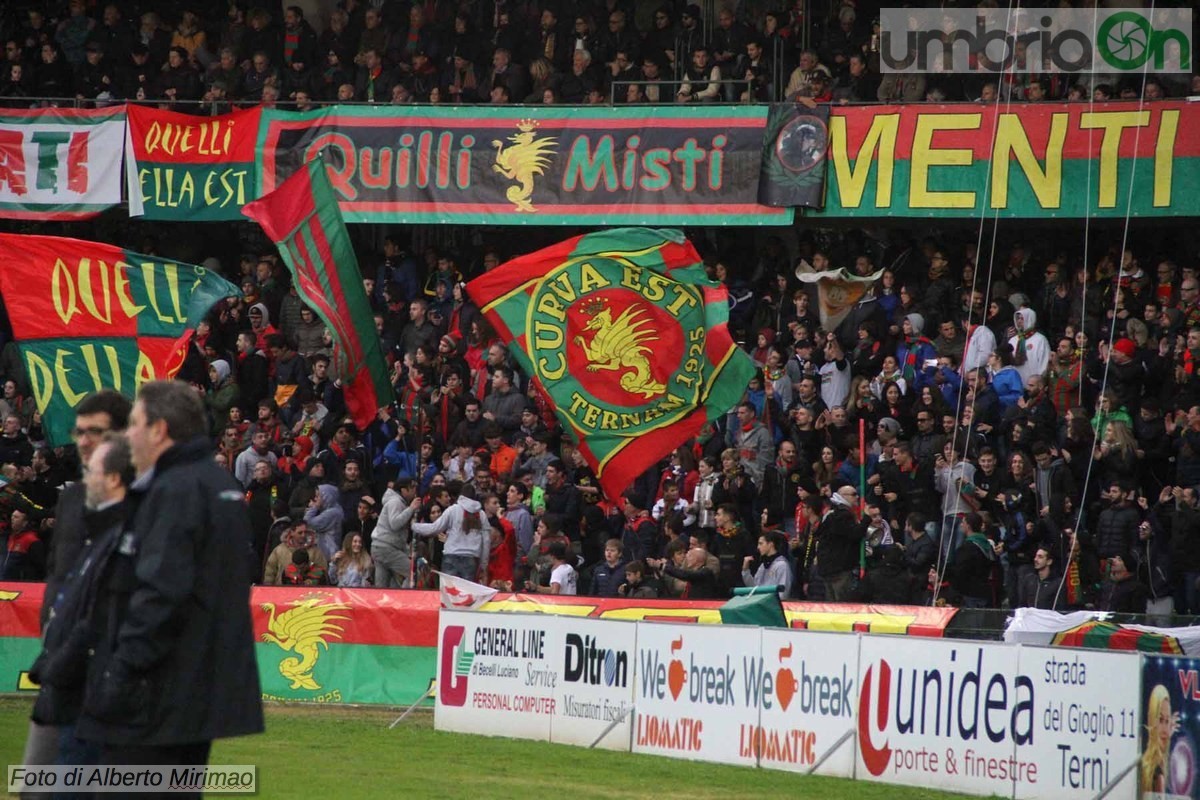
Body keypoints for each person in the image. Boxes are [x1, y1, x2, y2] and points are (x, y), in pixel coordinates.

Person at [74, 381, 263, 776]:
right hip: (199, 692)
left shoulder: (174, 491)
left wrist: (118, 673)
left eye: (135, 424)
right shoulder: (221, 487)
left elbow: (161, 592)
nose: (128, 435)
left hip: (154, 695)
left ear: (159, 429)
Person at [25, 390, 130, 780]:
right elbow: (58, 575)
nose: (84, 441)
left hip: (105, 673)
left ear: (123, 437)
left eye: (96, 432)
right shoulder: (71, 500)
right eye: (80, 431)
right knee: (38, 783)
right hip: (58, 665)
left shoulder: (143, 503)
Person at [412, 483, 489, 580]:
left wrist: (414, 526)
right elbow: (486, 542)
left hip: (451, 556)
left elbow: (434, 528)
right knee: (465, 593)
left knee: (449, 592)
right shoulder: (481, 515)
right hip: (471, 559)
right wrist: (483, 565)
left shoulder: (453, 510)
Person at [741, 531, 794, 596]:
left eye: (761, 544)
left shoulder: (782, 565)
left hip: (772, 604)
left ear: (770, 544)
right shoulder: (763, 565)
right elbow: (754, 588)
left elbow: (783, 593)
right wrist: (745, 570)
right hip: (760, 603)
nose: (758, 547)